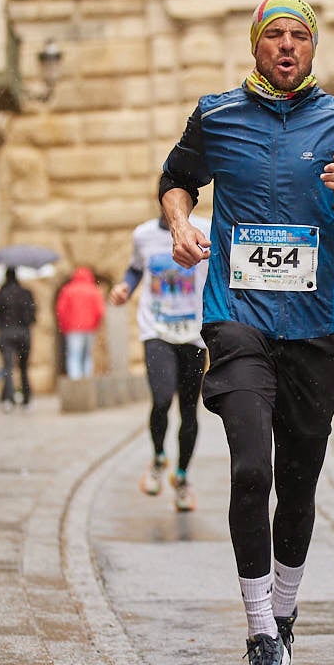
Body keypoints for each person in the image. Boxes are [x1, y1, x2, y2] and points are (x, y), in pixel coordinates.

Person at [159, 0, 334, 665]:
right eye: (274, 35)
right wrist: (178, 223)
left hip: (316, 332)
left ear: (313, 48)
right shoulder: (217, 115)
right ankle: (260, 631)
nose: (287, 46)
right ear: (256, 46)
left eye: (299, 36)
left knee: (297, 483)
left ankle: (284, 615)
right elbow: (177, 180)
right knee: (251, 468)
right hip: (238, 323)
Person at [109, 214, 211, 512]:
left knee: (189, 408)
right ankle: (157, 458)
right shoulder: (143, 235)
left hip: (194, 332)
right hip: (156, 330)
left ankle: (181, 477)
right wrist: (124, 287)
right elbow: (135, 269)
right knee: (162, 397)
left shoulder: (205, 229)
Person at [0, 267, 37, 410]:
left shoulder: (1, 294)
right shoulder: (26, 294)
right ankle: (26, 398)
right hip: (24, 334)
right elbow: (33, 316)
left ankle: (9, 398)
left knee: (8, 366)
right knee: (23, 367)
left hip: (6, 333)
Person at [56, 267, 106, 379]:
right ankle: (87, 382)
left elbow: (61, 310)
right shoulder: (93, 290)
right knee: (87, 356)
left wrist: (64, 326)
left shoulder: (68, 290)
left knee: (74, 355)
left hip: (73, 329)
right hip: (90, 328)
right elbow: (100, 311)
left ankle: (76, 384)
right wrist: (96, 324)